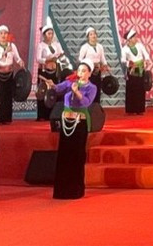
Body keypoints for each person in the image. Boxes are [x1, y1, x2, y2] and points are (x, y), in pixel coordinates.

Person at [41, 59, 97, 200]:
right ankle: (62, 190)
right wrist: (51, 85)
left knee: (77, 155)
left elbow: (86, 102)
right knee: (64, 155)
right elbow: (58, 88)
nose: (81, 73)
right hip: (66, 122)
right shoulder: (70, 82)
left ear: (89, 73)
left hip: (80, 123)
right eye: (79, 70)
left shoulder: (92, 87)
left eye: (84, 71)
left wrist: (77, 92)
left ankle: (75, 190)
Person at [0, 25, 24, 124]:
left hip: (9, 73)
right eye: (1, 33)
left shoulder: (12, 46)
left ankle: (7, 118)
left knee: (8, 96)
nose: (3, 35)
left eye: (5, 33)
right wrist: (5, 51)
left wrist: (20, 61)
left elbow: (17, 58)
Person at [36, 18, 63, 121]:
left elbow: (61, 54)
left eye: (51, 34)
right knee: (44, 92)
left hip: (54, 71)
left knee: (53, 91)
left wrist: (57, 57)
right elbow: (38, 59)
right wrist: (48, 59)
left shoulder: (56, 45)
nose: (50, 36)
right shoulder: (41, 46)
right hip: (44, 72)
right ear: (44, 35)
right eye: (48, 34)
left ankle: (53, 114)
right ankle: (42, 115)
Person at [121, 29, 149, 115]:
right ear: (129, 39)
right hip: (132, 69)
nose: (136, 38)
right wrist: (129, 63)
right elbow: (122, 59)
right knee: (131, 89)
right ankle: (131, 109)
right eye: (133, 37)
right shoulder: (125, 48)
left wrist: (146, 60)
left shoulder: (140, 45)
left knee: (140, 89)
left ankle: (140, 109)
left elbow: (146, 54)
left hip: (140, 68)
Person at [78, 27, 109, 105]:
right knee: (89, 88)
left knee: (97, 88)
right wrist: (90, 64)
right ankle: (88, 105)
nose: (93, 36)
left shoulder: (100, 46)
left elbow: (102, 58)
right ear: (88, 36)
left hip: (97, 71)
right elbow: (80, 59)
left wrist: (105, 65)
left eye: (94, 34)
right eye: (91, 34)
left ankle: (97, 106)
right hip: (88, 72)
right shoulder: (85, 47)